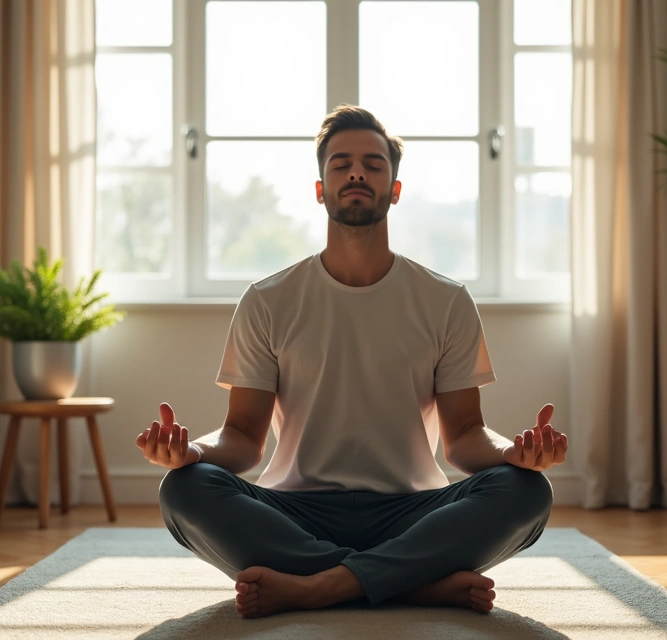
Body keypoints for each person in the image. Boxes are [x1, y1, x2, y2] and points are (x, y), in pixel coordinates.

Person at [137, 104, 569, 620]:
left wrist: (515, 453)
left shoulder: (446, 300)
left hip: (413, 511)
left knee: (526, 491)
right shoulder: (268, 300)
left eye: (373, 164)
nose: (358, 172)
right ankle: (410, 583)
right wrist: (190, 451)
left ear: (395, 189)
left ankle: (320, 584)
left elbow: (465, 437)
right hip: (296, 510)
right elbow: (244, 438)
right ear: (320, 189)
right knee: (185, 489)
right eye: (341, 164)